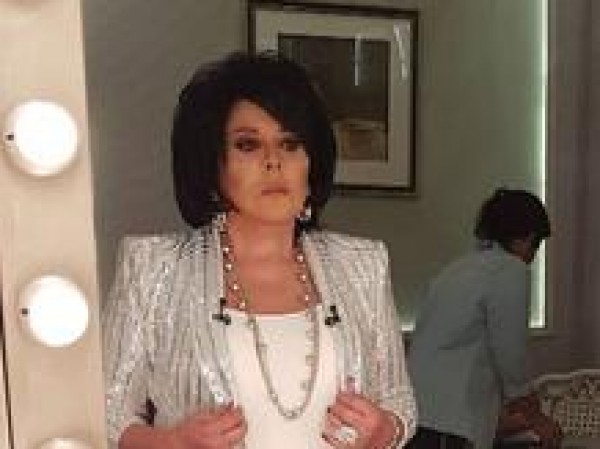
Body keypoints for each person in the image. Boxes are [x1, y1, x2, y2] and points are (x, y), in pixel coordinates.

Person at [102, 51, 416, 449]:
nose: (273, 162)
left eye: (290, 143)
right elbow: (107, 412)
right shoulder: (153, 269)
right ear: (212, 164)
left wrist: (384, 430)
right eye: (248, 145)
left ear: (311, 163)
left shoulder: (362, 265)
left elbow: (399, 402)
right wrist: (174, 443)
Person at [407, 188, 561, 449]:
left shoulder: (458, 269)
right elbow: (511, 359)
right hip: (452, 421)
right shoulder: (510, 270)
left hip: (417, 413)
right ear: (527, 238)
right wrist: (538, 420)